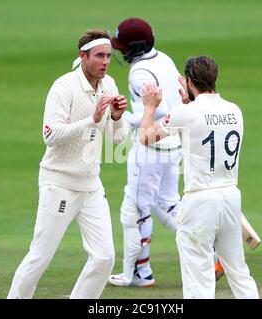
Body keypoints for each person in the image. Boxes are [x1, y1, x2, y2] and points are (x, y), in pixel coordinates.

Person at [7, 29, 128, 299]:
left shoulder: (109, 85)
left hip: (91, 186)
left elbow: (118, 140)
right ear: (82, 56)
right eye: (99, 56)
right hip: (59, 183)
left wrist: (118, 117)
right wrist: (92, 120)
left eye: (109, 56)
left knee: (105, 257)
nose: (105, 62)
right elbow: (49, 135)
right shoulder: (64, 87)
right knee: (40, 256)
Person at [139, 56, 259, 298]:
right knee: (238, 271)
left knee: (198, 277)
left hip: (200, 202)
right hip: (230, 198)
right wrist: (187, 104)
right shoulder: (234, 110)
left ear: (190, 81)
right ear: (214, 78)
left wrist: (149, 106)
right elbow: (202, 127)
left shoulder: (186, 112)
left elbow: (146, 138)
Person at [107, 17, 183, 287]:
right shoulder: (164, 58)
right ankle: (209, 254)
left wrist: (121, 118)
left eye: (122, 47)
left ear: (134, 48)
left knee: (137, 208)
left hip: (151, 146)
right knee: (169, 203)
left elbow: (149, 112)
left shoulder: (138, 73)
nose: (120, 52)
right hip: (174, 142)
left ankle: (140, 273)